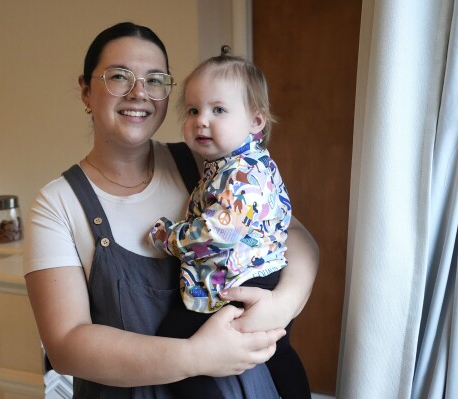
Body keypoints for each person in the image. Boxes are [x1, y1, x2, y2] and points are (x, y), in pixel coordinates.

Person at [24, 21, 318, 399]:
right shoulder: (57, 205)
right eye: (119, 76)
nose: (138, 93)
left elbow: (294, 236)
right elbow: (66, 345)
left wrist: (282, 305)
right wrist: (195, 356)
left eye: (155, 80)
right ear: (85, 90)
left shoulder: (205, 162)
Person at [148, 48, 311, 398]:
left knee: (176, 346)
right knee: (274, 350)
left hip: (241, 279)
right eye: (192, 110)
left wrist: (167, 237)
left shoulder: (239, 174)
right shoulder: (239, 163)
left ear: (256, 121)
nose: (201, 120)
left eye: (218, 110)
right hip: (261, 270)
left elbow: (216, 233)